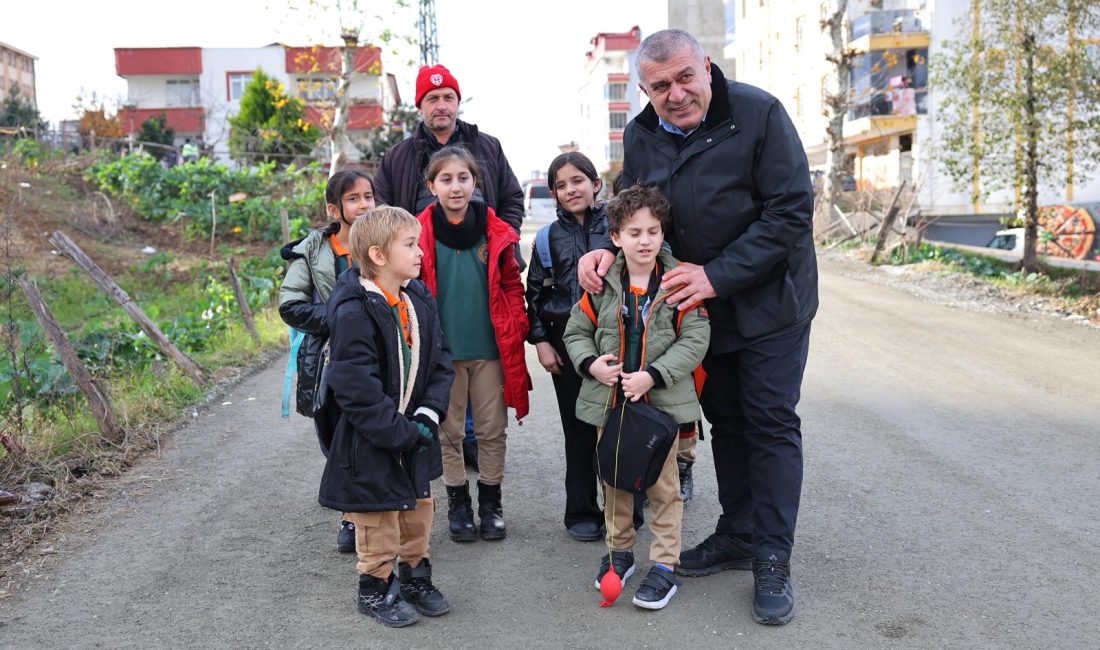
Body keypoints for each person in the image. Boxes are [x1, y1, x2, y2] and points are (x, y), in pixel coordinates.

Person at [577, 29, 818, 625]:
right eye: (660, 86)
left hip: (770, 304)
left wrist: (718, 273)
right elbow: (637, 214)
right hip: (695, 310)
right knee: (726, 419)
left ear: (706, 68)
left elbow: (790, 210)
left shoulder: (759, 114)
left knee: (768, 421)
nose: (676, 94)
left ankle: (771, 555)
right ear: (644, 89)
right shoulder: (641, 135)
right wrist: (604, 251)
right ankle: (737, 530)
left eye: (686, 78)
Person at [374, 64, 528, 469]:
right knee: (439, 358)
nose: (441, 106)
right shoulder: (398, 157)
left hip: (481, 266)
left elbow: (512, 200)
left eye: (448, 98)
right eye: (432, 99)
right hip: (425, 273)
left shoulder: (488, 147)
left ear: (458, 102)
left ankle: (477, 442)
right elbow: (382, 212)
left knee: (479, 351)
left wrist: (501, 239)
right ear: (419, 106)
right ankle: (446, 446)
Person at [564, 184, 710, 610]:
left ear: (663, 233)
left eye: (653, 231)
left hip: (660, 411)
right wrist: (590, 363)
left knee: (664, 490)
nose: (644, 240)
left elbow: (696, 337)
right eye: (634, 232)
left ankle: (664, 565)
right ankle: (619, 552)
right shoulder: (601, 284)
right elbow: (576, 332)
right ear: (615, 237)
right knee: (614, 485)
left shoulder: (680, 280)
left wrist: (654, 376)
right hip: (612, 409)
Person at [315, 206, 453, 627]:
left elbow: (440, 361)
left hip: (417, 431)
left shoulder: (418, 297)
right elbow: (354, 386)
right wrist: (398, 432)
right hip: (374, 438)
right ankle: (374, 589)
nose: (420, 252)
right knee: (377, 518)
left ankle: (415, 576)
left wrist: (427, 417)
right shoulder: (354, 309)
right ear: (377, 255)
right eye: (409, 245)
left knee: (419, 509)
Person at [414, 146, 530, 542]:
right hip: (443, 354)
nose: (456, 186)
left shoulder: (494, 229)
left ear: (475, 182)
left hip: (488, 349)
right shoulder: (417, 232)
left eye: (463, 178)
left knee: (491, 429)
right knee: (448, 431)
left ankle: (491, 503)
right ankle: (458, 504)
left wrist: (516, 322)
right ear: (432, 186)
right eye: (445, 179)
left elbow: (513, 283)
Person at [279, 169, 375, 554]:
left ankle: (377, 513)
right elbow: (290, 303)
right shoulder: (314, 249)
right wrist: (341, 320)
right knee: (338, 435)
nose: (364, 204)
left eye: (369, 196)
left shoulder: (385, 236)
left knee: (377, 430)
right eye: (354, 198)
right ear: (334, 209)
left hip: (381, 355)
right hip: (333, 360)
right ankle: (351, 515)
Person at [525, 152, 608, 542]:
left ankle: (627, 507)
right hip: (567, 346)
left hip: (617, 341)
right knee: (576, 430)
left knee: (619, 428)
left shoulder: (619, 227)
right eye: (561, 185)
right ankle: (581, 509)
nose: (570, 189)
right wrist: (541, 341)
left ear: (595, 184)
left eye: (578, 180)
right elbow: (535, 298)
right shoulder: (546, 239)